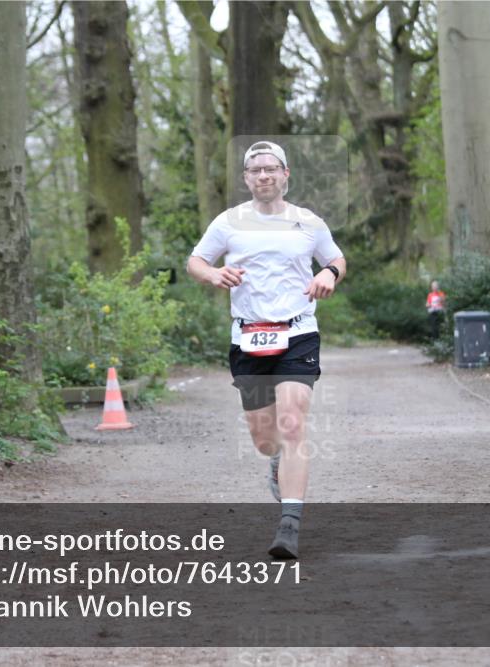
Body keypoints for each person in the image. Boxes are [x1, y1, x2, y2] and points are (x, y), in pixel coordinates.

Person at [186, 141, 346, 559]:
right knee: (264, 438)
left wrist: (328, 273)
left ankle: (289, 525)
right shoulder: (229, 222)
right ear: (246, 177)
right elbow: (196, 261)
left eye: (271, 169)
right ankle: (275, 462)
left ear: (286, 174)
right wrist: (214, 273)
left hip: (297, 333)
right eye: (255, 170)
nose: (264, 176)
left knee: (293, 423)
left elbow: (337, 259)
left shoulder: (308, 222)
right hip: (248, 336)